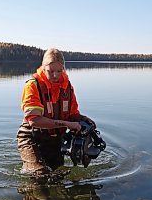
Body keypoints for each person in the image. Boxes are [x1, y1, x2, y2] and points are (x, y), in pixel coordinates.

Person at [17, 48, 96, 176]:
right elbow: (34, 120)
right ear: (43, 68)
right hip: (31, 137)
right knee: (40, 174)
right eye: (51, 71)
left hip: (54, 139)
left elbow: (72, 114)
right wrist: (67, 124)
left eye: (59, 71)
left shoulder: (67, 87)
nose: (55, 75)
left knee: (57, 174)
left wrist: (83, 119)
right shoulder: (33, 85)